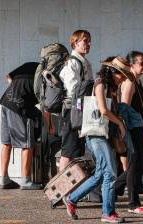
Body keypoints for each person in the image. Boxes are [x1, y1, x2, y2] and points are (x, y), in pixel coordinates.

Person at [62, 56, 132, 223]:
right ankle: (108, 213)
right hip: (95, 134)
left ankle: (72, 199)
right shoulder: (100, 83)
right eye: (120, 74)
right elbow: (103, 110)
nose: (122, 78)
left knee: (100, 174)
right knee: (110, 173)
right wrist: (120, 124)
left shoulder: (113, 88)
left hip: (105, 134)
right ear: (112, 71)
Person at [114, 51, 143, 214]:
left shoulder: (137, 82)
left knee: (141, 166)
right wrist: (125, 131)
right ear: (131, 65)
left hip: (139, 128)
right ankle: (133, 203)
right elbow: (124, 108)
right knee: (135, 165)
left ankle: (112, 188)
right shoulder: (129, 82)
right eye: (142, 63)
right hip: (132, 130)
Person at [0, 62, 42, 190]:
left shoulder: (29, 65)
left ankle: (4, 179)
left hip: (6, 102)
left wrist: (15, 89)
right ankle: (26, 181)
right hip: (20, 106)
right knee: (27, 143)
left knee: (7, 142)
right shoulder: (44, 73)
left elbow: (8, 76)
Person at [58, 30, 93, 171]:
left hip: (80, 110)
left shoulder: (84, 62)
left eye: (89, 41)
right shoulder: (72, 62)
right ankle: (60, 189)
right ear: (75, 42)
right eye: (85, 41)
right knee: (68, 150)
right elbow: (73, 89)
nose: (88, 44)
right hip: (72, 110)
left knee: (76, 151)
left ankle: (73, 187)